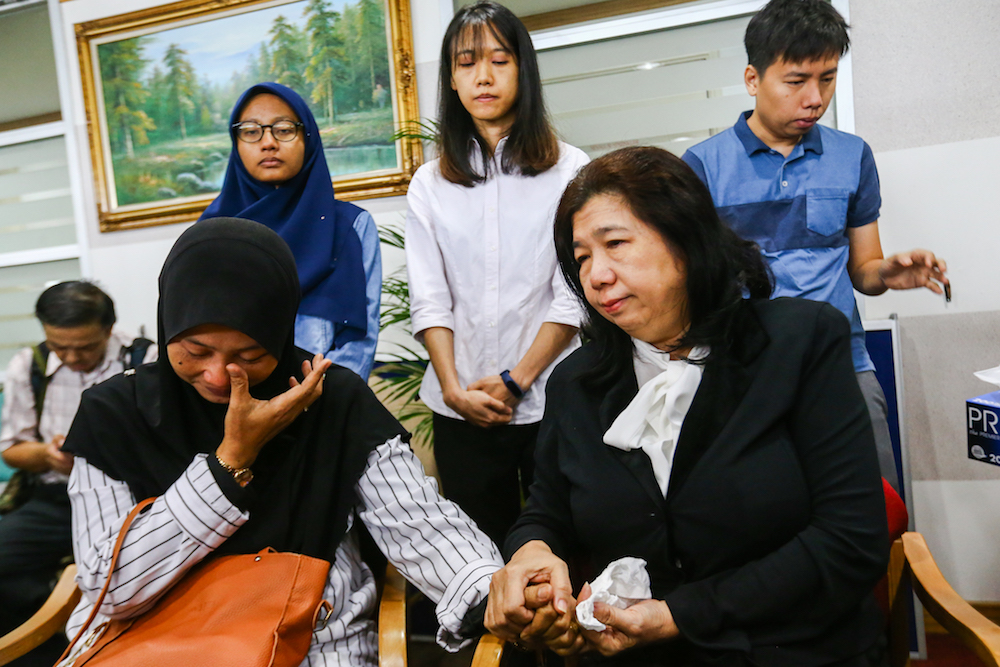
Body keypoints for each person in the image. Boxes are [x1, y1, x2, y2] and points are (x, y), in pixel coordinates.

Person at [485, 147, 890, 666]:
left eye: (615, 245)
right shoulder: (576, 381)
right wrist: (532, 554)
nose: (597, 276)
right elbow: (546, 510)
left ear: (686, 240)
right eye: (582, 258)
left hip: (792, 649)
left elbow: (850, 540)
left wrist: (679, 615)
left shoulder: (800, 342)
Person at [60, 218, 502, 666]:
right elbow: (109, 590)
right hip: (154, 643)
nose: (219, 376)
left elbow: (418, 523)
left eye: (249, 356)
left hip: (312, 642)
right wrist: (230, 460)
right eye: (195, 352)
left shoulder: (329, 396)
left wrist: (496, 594)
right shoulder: (112, 414)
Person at [681, 0, 949, 494]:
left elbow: (863, 269)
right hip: (747, 374)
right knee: (765, 518)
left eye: (827, 79)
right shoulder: (701, 167)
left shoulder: (852, 156)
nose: (814, 97)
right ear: (752, 78)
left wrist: (887, 273)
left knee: (875, 510)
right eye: (796, 80)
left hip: (843, 364)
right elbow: (694, 287)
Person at [404, 1, 588, 546]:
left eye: (499, 60)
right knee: (480, 556)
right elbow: (430, 299)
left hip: (554, 397)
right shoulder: (429, 184)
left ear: (523, 71)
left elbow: (573, 293)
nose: (483, 75)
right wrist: (456, 389)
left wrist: (518, 379)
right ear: (452, 79)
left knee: (569, 545)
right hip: (460, 407)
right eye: (466, 63)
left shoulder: (571, 170)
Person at [0, 281, 156, 666]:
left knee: (134, 574)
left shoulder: (144, 360)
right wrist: (47, 455)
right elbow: (11, 449)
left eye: (85, 347)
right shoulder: (29, 365)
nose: (71, 357)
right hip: (55, 497)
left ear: (108, 328)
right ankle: (40, 650)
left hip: (132, 499)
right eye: (59, 346)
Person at [201, 82, 381, 381]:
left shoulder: (351, 226)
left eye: (284, 130)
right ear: (236, 143)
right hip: (232, 405)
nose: (268, 142)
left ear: (308, 137)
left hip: (324, 405)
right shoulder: (212, 233)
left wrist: (314, 401)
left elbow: (359, 343)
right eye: (250, 131)